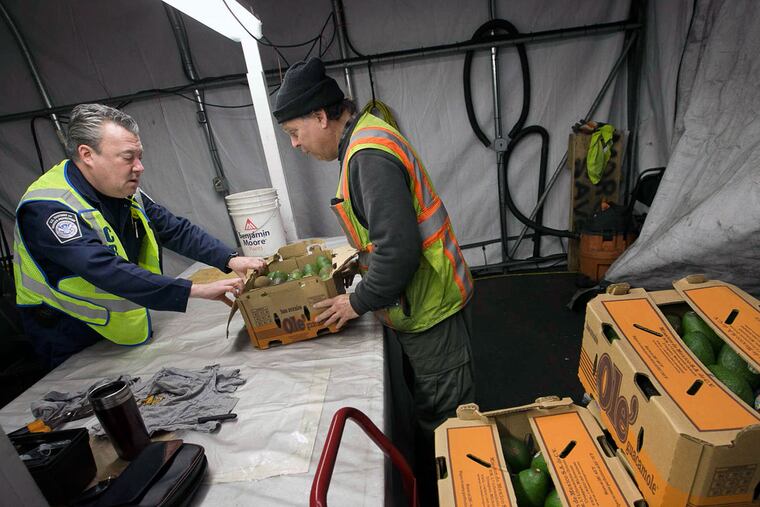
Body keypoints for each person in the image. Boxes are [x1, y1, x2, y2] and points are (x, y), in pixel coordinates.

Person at [272, 57, 475, 504]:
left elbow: (400, 250)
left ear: (321, 117)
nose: (295, 144)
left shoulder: (366, 157)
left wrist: (356, 301)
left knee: (446, 423)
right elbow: (385, 237)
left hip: (430, 310)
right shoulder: (367, 138)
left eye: (294, 132)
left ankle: (457, 493)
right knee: (430, 409)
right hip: (419, 304)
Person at [13, 103, 265, 368]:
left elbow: (172, 228)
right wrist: (195, 290)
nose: (140, 167)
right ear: (87, 154)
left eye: (140, 156)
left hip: (119, 325)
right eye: (128, 157)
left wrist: (230, 259)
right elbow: (104, 268)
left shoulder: (121, 190)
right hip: (67, 331)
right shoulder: (48, 207)